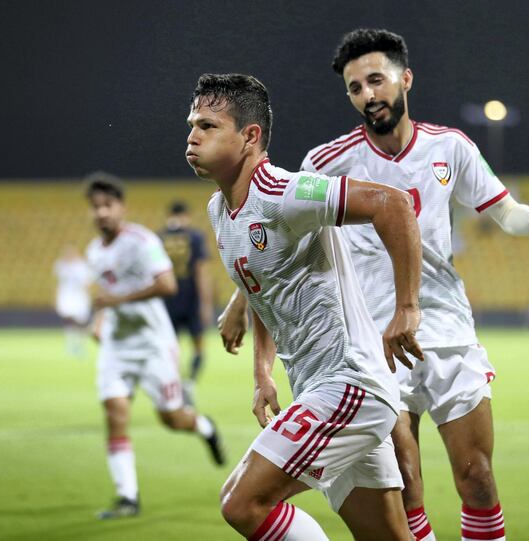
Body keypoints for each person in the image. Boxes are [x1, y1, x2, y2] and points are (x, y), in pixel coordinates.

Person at [219, 29, 529, 541]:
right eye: (355, 88)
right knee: (407, 486)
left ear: (406, 79)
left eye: (375, 81)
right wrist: (237, 302)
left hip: (445, 327)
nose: (368, 96)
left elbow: (505, 213)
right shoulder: (326, 160)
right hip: (372, 344)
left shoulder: (451, 148)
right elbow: (280, 245)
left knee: (479, 479)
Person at [186, 72, 424, 540]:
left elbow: (391, 203)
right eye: (191, 124)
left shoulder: (284, 193)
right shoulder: (220, 210)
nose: (192, 136)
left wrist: (407, 308)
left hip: (349, 385)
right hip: (321, 390)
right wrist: (262, 373)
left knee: (242, 503)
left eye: (208, 126)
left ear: (250, 136)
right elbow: (264, 289)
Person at [84, 173, 225, 520]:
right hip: (117, 347)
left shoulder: (143, 241)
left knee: (172, 418)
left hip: (153, 345)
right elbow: (108, 294)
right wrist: (99, 320)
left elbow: (166, 285)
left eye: (108, 205)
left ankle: (205, 428)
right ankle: (127, 497)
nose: (102, 213)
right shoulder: (93, 252)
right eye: (96, 207)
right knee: (115, 414)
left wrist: (118, 300)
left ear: (122, 207)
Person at [158, 200, 213, 401]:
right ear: (186, 216)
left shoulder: (159, 237)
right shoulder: (195, 237)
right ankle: (189, 383)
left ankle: (173, 387)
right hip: (191, 301)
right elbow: (201, 272)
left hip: (166, 302)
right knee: (198, 346)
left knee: (170, 348)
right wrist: (206, 304)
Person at [53, 243, 92, 358]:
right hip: (66, 296)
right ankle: (70, 345)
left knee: (81, 322)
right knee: (68, 320)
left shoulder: (81, 266)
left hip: (79, 296)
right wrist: (56, 296)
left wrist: (87, 296)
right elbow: (58, 282)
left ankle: (80, 345)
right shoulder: (60, 265)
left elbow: (87, 282)